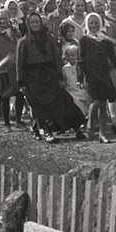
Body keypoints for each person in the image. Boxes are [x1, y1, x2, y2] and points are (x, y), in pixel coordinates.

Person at [16, 12, 86, 142]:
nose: (35, 24)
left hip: (50, 75)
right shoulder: (23, 42)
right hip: (33, 79)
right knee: (38, 107)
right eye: (32, 22)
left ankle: (76, 128)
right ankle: (44, 131)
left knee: (63, 102)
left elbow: (57, 59)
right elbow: (20, 64)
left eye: (37, 22)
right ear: (28, 24)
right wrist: (21, 83)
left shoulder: (49, 39)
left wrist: (59, 76)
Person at [78, 12, 116, 143]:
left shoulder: (105, 40)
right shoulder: (83, 40)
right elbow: (80, 60)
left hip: (103, 75)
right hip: (90, 76)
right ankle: (90, 125)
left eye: (96, 22)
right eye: (91, 22)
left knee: (103, 103)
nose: (94, 25)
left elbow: (113, 57)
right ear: (87, 24)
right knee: (94, 102)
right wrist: (80, 77)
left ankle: (102, 133)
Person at [0, 7, 23, 130]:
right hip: (1, 67)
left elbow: (21, 44)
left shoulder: (16, 30)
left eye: (5, 18)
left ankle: (18, 120)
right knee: (5, 96)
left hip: (15, 66)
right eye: (0, 19)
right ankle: (7, 124)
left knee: (19, 94)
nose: (3, 21)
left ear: (9, 18)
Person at [61, 43, 91, 116]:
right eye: (68, 56)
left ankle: (90, 116)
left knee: (89, 97)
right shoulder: (64, 69)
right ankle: (82, 116)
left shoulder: (81, 66)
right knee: (75, 100)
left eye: (73, 55)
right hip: (71, 90)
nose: (71, 57)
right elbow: (64, 81)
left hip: (82, 89)